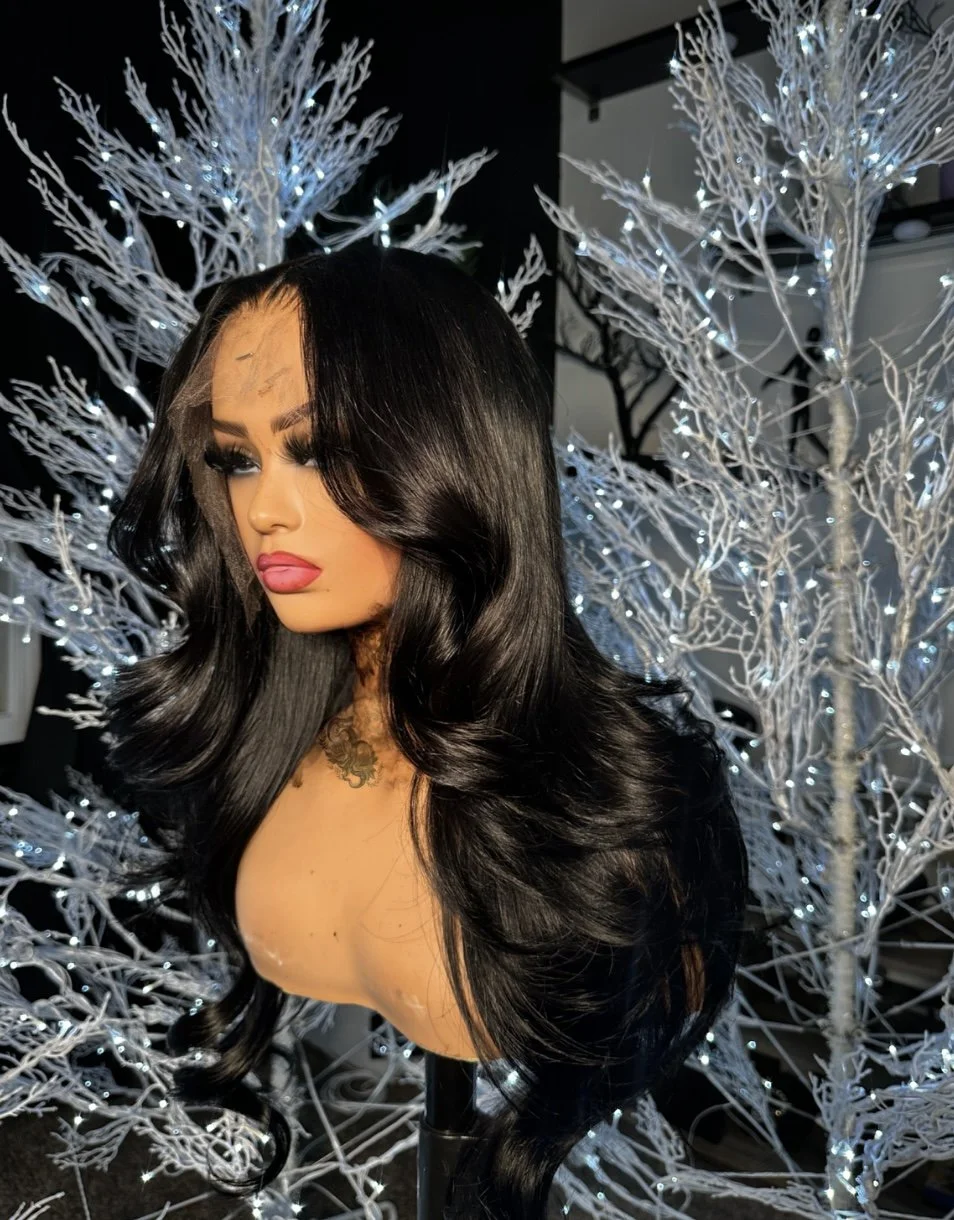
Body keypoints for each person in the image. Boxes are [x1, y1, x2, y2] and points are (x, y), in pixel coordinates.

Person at [103, 242, 748, 1219]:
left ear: (450, 454)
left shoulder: (625, 803)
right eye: (236, 458)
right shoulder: (259, 747)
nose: (264, 510)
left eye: (315, 450)